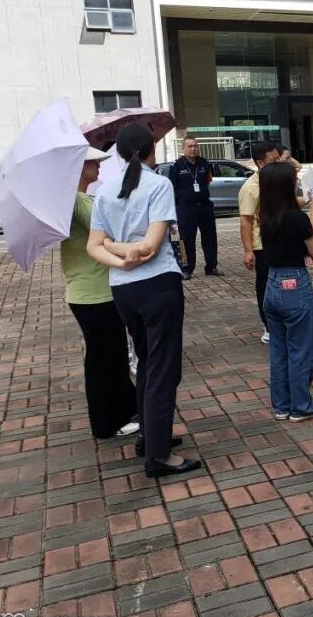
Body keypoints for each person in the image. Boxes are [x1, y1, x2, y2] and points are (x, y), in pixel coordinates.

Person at [87, 124, 201, 477]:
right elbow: (151, 246)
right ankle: (159, 456)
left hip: (123, 289)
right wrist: (130, 254)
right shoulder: (158, 185)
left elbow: (94, 246)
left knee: (148, 361)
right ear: (152, 149)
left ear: (119, 154)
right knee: (163, 370)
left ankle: (150, 437)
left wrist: (116, 254)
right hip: (158, 285)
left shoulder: (105, 191)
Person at [63, 145, 139, 439]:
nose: (97, 166)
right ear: (79, 167)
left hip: (87, 291)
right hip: (94, 293)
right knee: (104, 359)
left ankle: (124, 409)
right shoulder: (79, 201)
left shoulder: (76, 200)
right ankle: (107, 422)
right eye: (93, 162)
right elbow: (108, 234)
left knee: (109, 355)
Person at [259, 162, 313, 421]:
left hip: (273, 283)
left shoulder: (266, 218)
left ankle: (281, 405)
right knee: (301, 349)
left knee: (278, 350)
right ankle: (301, 406)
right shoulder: (297, 218)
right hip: (295, 284)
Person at [239, 141, 280, 343]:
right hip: (262, 245)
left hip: (281, 240)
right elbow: (245, 221)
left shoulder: (277, 180)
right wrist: (248, 250)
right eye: (273, 160)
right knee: (265, 285)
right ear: (260, 163)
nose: (278, 162)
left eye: (278, 158)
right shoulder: (250, 188)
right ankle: (269, 327)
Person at [167, 136, 220, 279]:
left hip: (204, 205)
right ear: (183, 148)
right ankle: (185, 268)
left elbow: (208, 181)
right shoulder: (176, 166)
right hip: (185, 207)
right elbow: (172, 187)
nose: (193, 149)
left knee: (210, 237)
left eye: (195, 146)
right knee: (185, 240)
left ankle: (211, 266)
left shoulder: (204, 163)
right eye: (190, 146)